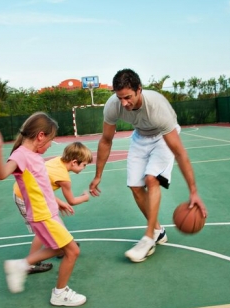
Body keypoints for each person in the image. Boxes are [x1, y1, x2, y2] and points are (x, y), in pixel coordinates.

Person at [89, 68, 208, 263]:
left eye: (128, 97)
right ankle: (158, 231)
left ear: (139, 90)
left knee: (151, 179)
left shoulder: (157, 108)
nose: (124, 103)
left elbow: (179, 152)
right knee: (135, 187)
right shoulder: (113, 106)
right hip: (140, 137)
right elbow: (106, 140)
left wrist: (193, 191)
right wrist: (98, 175)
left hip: (163, 136)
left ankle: (148, 238)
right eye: (120, 98)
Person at [0, 112, 86, 306]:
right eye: (50, 140)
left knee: (57, 248)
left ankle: (20, 265)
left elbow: (40, 185)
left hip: (48, 211)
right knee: (72, 251)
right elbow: (2, 174)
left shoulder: (34, 154)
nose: (49, 145)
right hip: (43, 214)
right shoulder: (21, 155)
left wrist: (57, 201)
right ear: (40, 136)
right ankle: (59, 293)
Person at [12, 142, 93, 271]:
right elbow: (71, 201)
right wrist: (85, 197)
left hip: (31, 194)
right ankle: (30, 263)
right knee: (41, 231)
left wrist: (57, 201)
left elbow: (40, 183)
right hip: (27, 197)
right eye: (84, 165)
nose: (84, 168)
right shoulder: (64, 179)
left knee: (54, 222)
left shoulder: (56, 161)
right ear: (74, 162)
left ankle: (61, 247)